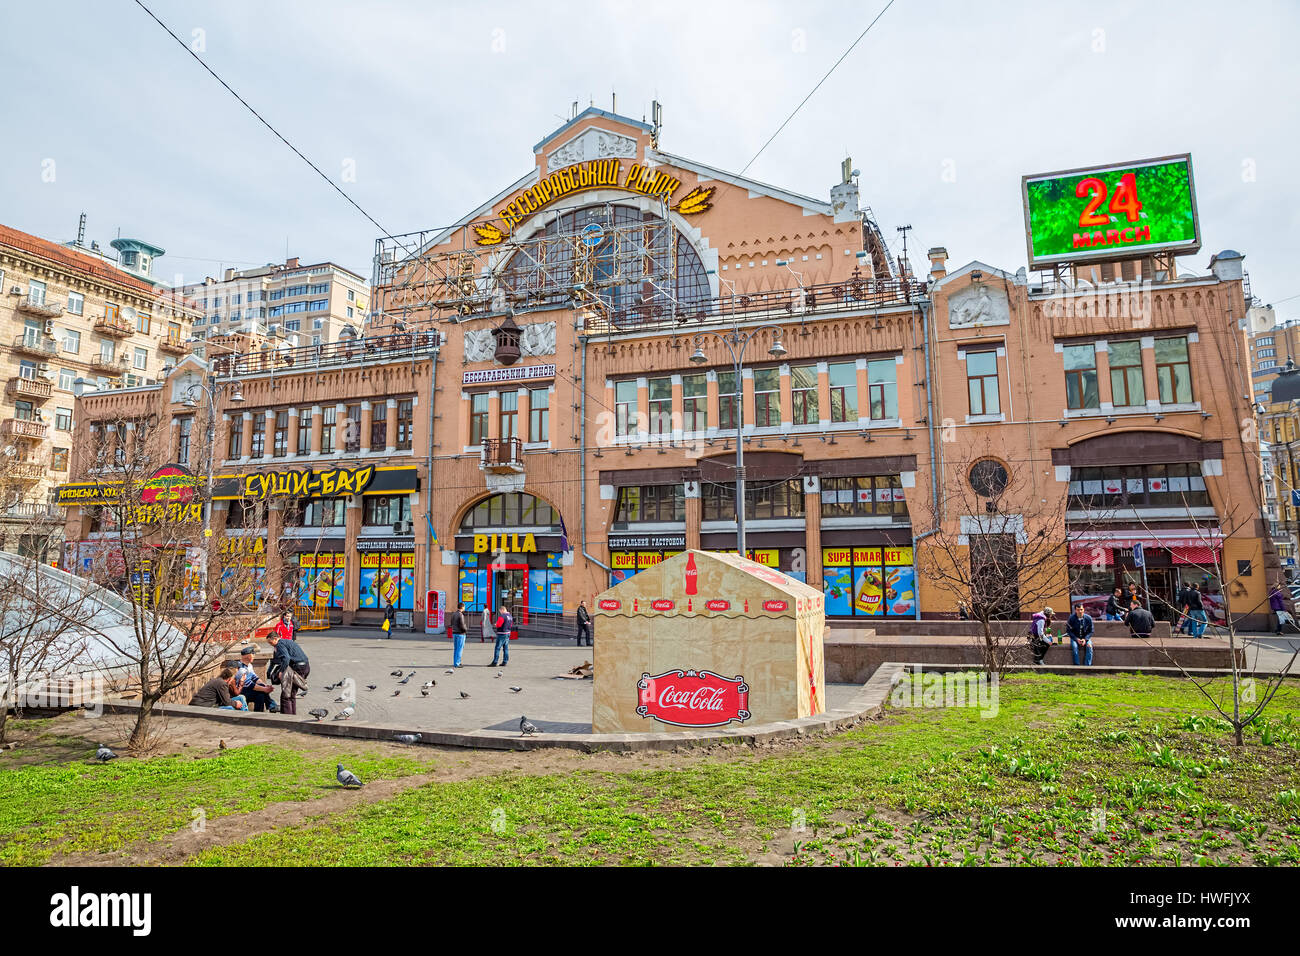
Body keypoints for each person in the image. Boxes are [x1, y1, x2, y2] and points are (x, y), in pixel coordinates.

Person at [266, 632, 310, 715]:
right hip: (305, 667)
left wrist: (281, 672)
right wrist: (269, 672)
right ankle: (292, 716)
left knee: (286, 695)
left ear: (275, 639)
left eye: (270, 642)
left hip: (297, 668)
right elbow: (274, 660)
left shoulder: (279, 645)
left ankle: (287, 718)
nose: (270, 644)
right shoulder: (286, 642)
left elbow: (286, 658)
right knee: (291, 694)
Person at [234, 645, 278, 713]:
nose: (254, 657)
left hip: (247, 689)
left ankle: (260, 713)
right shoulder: (241, 668)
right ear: (248, 656)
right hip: (240, 690)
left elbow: (255, 678)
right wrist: (264, 689)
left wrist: (265, 685)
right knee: (262, 692)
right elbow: (249, 684)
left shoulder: (249, 665)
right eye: (253, 655)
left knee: (260, 695)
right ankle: (271, 706)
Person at [489, 603, 513, 668]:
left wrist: (495, 624)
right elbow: (511, 625)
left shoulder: (502, 616)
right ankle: (505, 661)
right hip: (508, 633)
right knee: (506, 648)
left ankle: (495, 662)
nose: (500, 612)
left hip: (501, 633)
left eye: (500, 611)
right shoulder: (510, 616)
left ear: (502, 610)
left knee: (497, 648)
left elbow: (499, 625)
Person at [449, 602, 468, 668]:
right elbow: (462, 625)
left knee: (456, 648)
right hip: (461, 633)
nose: (465, 608)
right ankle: (457, 663)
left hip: (454, 633)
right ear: (462, 607)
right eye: (464, 607)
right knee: (460, 649)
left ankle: (455, 662)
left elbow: (451, 623)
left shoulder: (454, 614)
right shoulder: (461, 615)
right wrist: (465, 630)